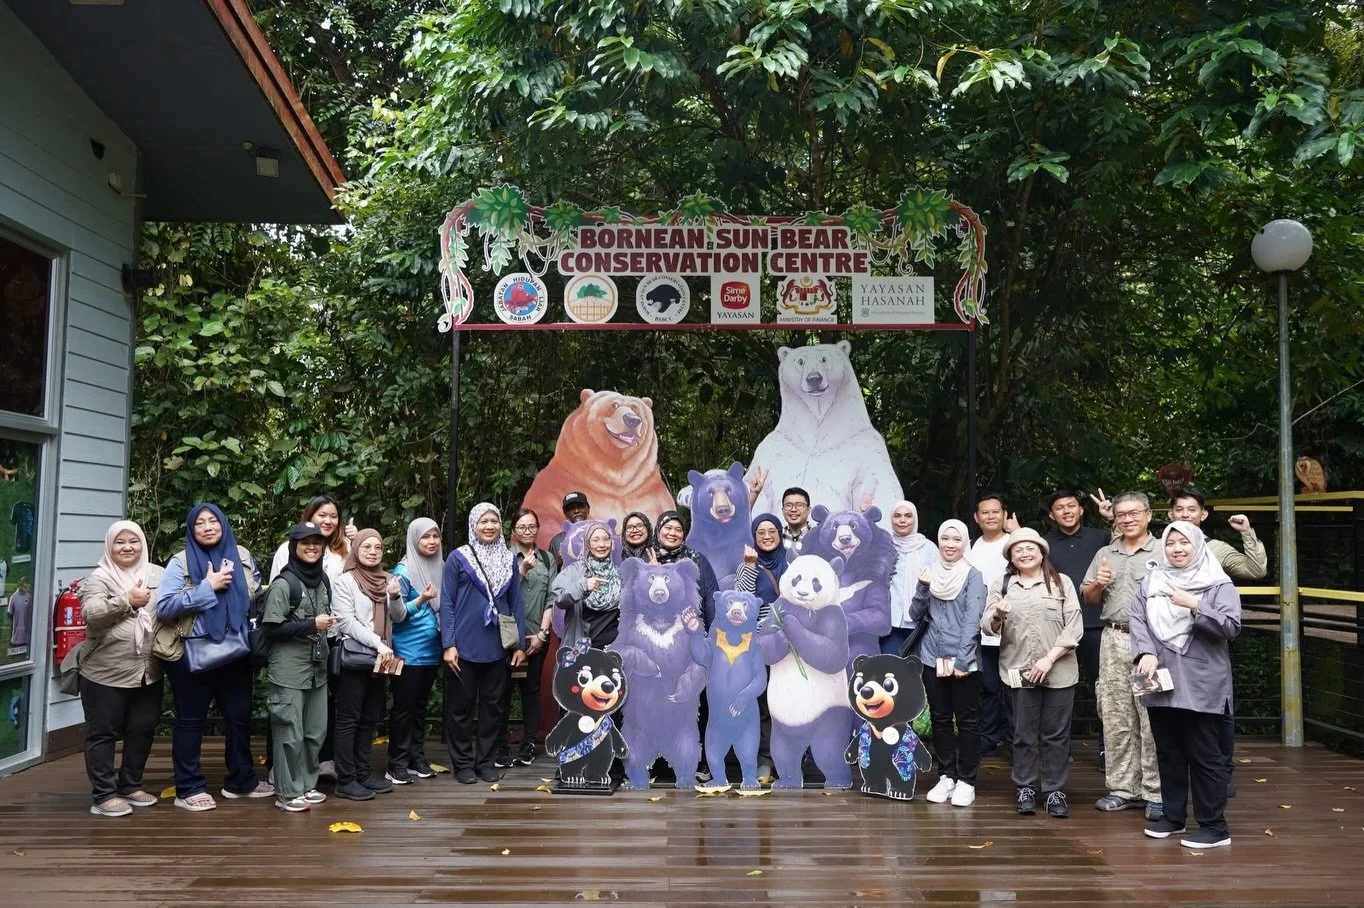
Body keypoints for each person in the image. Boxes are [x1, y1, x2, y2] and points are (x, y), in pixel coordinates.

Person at [1132, 521, 1242, 849]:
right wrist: (1145, 652)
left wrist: (1194, 604)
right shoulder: (1152, 580)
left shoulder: (1217, 582)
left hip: (1201, 681)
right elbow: (1137, 618)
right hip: (1158, 678)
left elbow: (1231, 626)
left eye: (1184, 543)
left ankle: (1214, 826)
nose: (1177, 549)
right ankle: (1173, 817)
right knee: (1167, 751)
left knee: (1205, 755)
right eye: (1171, 543)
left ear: (1197, 545)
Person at [155, 503, 273, 811]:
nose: (208, 527)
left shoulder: (243, 556)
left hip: (235, 649)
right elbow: (165, 607)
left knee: (238, 717)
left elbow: (254, 597)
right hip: (193, 653)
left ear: (223, 524)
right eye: (200, 523)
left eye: (213, 521)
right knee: (191, 721)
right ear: (191, 530)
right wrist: (208, 587)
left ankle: (241, 781)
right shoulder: (180, 562)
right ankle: (189, 788)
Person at [1168, 486, 1263, 796]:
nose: (1184, 515)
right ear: (1170, 514)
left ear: (1203, 515)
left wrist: (1247, 533)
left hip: (1206, 639)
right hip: (1168, 643)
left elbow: (1256, 569)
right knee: (1172, 713)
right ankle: (1174, 785)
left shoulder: (1217, 549)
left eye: (1191, 510)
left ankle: (1220, 774)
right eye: (1179, 510)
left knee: (1215, 710)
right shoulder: (1162, 548)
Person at [982, 527, 1083, 819]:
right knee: (1023, 733)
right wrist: (998, 614)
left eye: (1031, 549)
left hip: (1060, 670)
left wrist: (1049, 659)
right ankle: (1025, 787)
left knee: (1057, 735)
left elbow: (1074, 627)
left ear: (1042, 553)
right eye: (1018, 550)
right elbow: (987, 626)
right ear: (1011, 557)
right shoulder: (1002, 585)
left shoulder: (1061, 583)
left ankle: (1054, 791)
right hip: (1018, 669)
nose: (1025, 554)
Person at [1082, 490, 1163, 819]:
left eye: (1134, 513)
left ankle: (1156, 791)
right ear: (1113, 518)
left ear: (1148, 515)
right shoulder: (1106, 553)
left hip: (1152, 646)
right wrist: (1098, 584)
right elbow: (1088, 598)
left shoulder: (1163, 550)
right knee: (1116, 716)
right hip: (1114, 639)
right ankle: (1122, 788)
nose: (1127, 519)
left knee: (1152, 715)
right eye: (1121, 514)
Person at [78, 520, 165, 817]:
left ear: (142, 544)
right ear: (109, 546)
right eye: (120, 542)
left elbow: (173, 604)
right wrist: (126, 600)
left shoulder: (157, 574)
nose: (127, 547)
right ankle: (103, 795)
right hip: (104, 672)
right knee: (103, 733)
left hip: (148, 671)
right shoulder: (99, 579)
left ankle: (130, 785)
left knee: (142, 729)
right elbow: (91, 614)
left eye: (134, 541)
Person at [441, 503, 528, 784]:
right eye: (483, 522)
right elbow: (447, 603)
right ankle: (463, 764)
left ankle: (486, 762)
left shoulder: (509, 560)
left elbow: (516, 603)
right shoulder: (458, 558)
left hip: (497, 646)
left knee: (494, 707)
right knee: (460, 707)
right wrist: (449, 643)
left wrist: (520, 646)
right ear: (473, 526)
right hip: (463, 647)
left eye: (494, 521)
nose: (489, 526)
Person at [909, 519, 986, 808]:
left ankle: (967, 780)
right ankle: (946, 776)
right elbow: (915, 613)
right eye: (945, 539)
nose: (950, 544)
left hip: (964, 660)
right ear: (939, 542)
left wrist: (964, 660)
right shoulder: (931, 573)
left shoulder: (972, 575)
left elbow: (972, 620)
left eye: (956, 539)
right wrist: (922, 586)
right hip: (931, 656)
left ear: (964, 543)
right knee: (940, 719)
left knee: (966, 720)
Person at [261, 523, 334, 812]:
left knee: (315, 731)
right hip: (289, 670)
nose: (312, 547)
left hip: (317, 668)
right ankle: (287, 792)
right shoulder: (284, 584)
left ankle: (306, 784)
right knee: (289, 732)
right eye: (305, 543)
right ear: (294, 546)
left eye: (317, 542)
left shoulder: (323, 579)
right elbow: (271, 629)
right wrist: (311, 624)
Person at [330, 528, 400, 801]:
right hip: (356, 657)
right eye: (366, 547)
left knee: (370, 718)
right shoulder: (345, 581)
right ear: (356, 549)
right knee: (348, 719)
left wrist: (394, 597)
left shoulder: (388, 579)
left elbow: (400, 617)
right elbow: (345, 621)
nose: (372, 552)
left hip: (381, 659)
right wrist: (378, 643)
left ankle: (363, 773)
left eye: (378, 547)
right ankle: (345, 779)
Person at [1043, 489, 1111, 766]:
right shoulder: (1044, 544)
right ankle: (1059, 749)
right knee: (1057, 689)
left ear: (1082, 510)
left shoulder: (1101, 537)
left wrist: (1111, 519)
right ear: (1052, 514)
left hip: (1098, 624)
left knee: (1105, 689)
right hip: (1060, 629)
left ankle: (1109, 749)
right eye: (1060, 507)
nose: (1067, 511)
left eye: (1072, 506)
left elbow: (1127, 545)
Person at [496, 507, 557, 768]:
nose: (527, 531)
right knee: (501, 691)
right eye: (522, 527)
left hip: (536, 637)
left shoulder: (546, 559)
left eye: (532, 526)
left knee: (531, 690)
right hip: (505, 637)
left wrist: (542, 635)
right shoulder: (502, 557)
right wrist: (519, 571)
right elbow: (498, 595)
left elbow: (551, 599)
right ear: (513, 532)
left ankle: (529, 743)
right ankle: (499, 744)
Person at [387, 517, 443, 784]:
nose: (431, 541)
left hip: (432, 651)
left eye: (435, 536)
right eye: (425, 537)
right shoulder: (404, 570)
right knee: (404, 708)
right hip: (407, 652)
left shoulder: (440, 567)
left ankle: (415, 757)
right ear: (414, 539)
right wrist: (421, 600)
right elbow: (396, 615)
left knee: (419, 707)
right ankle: (396, 763)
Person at [967, 493, 1016, 755]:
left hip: (1013, 629)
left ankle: (1013, 738)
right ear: (976, 517)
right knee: (988, 685)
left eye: (995, 511)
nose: (990, 516)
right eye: (984, 512)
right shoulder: (970, 548)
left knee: (1013, 686)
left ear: (1004, 515)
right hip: (981, 630)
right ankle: (988, 737)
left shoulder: (1015, 543)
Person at [550, 520, 623, 649]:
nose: (601, 544)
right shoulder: (575, 570)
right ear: (587, 544)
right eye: (595, 540)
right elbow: (559, 598)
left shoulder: (619, 574)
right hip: (582, 649)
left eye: (606, 539)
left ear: (611, 544)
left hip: (613, 650)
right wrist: (582, 586)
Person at [884, 501, 939, 655]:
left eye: (908, 516)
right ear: (891, 520)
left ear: (915, 519)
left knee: (914, 674)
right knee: (889, 670)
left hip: (920, 624)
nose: (902, 520)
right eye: (897, 516)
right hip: (890, 623)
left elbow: (936, 586)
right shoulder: (885, 546)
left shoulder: (929, 548)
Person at [268, 495, 356, 581]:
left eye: (333, 517)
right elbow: (277, 586)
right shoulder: (288, 549)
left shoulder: (344, 545)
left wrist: (357, 540)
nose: (328, 521)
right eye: (322, 515)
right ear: (310, 516)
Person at [654, 510, 719, 627]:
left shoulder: (697, 559)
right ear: (658, 530)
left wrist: (714, 635)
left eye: (678, 530)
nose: (672, 533)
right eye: (668, 528)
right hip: (657, 633)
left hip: (694, 631)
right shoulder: (647, 560)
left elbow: (711, 600)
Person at [548, 491, 590, 567]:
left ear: (588, 508)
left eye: (580, 506)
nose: (576, 511)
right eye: (571, 509)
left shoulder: (601, 534)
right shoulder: (557, 541)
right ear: (565, 513)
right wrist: (558, 562)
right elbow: (551, 575)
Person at [778, 487, 817, 552]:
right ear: (783, 510)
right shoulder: (775, 536)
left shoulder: (817, 537)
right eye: (788, 505)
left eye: (799, 505)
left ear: (808, 510)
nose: (793, 509)